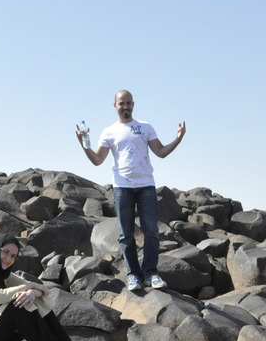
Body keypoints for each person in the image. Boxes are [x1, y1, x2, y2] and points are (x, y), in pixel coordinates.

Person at [78, 89, 186, 291]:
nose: (125, 107)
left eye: (128, 103)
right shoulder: (108, 132)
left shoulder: (145, 127)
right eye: (121, 103)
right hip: (122, 187)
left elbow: (160, 152)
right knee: (125, 234)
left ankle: (151, 273)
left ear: (133, 104)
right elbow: (97, 160)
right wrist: (84, 146)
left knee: (151, 231)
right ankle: (133, 275)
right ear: (115, 106)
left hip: (146, 184)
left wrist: (178, 139)